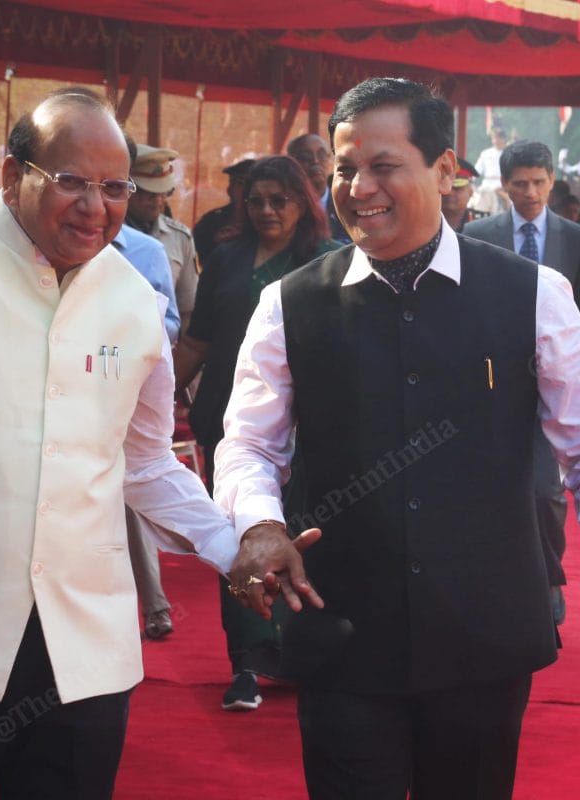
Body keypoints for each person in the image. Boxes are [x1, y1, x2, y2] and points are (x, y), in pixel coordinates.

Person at [214, 77, 580, 799]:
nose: (358, 186)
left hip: (484, 638)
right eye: (342, 169)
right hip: (340, 633)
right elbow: (247, 441)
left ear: (443, 170)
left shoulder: (532, 293)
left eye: (382, 165)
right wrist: (259, 525)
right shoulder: (291, 302)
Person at [0, 88, 240, 799]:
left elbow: (143, 461)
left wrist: (237, 549)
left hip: (81, 652)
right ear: (15, 175)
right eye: (72, 182)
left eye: (115, 188)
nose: (96, 206)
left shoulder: (134, 300)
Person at [174, 154, 340, 711]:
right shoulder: (226, 258)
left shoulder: (326, 261)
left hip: (307, 425)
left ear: (304, 202)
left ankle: (298, 656)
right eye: (256, 200)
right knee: (241, 532)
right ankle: (246, 663)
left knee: (306, 538)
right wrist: (153, 398)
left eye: (280, 200)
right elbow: (197, 340)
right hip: (231, 423)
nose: (267, 210)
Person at [464, 139, 580, 626]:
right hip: (491, 385)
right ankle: (506, 581)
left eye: (539, 182)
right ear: (503, 186)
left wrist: (577, 373)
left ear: (552, 180)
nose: (530, 191)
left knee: (546, 491)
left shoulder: (577, 239)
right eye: (520, 183)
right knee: (494, 488)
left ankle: (550, 579)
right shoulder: (478, 233)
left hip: (555, 382)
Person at [127, 142, 199, 334]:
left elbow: (186, 310)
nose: (158, 201)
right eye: (149, 193)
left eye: (163, 193)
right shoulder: (103, 234)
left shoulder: (180, 238)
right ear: (128, 189)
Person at [287, 132, 350, 243]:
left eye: (321, 155)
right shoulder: (284, 207)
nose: (315, 161)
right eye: (306, 157)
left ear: (332, 161)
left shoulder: (347, 206)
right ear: (292, 162)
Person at [193, 157, 253, 263]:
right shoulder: (212, 221)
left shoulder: (265, 220)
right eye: (233, 183)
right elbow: (194, 255)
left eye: (241, 183)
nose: (234, 188)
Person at [470, 124, 507, 214]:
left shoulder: (508, 154)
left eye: (499, 138)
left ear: (504, 139)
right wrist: (468, 182)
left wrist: (504, 187)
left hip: (502, 186)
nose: (496, 141)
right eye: (494, 138)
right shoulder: (485, 154)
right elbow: (476, 172)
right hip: (486, 185)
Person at [441, 157, 478, 231]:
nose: (449, 193)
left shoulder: (482, 224)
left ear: (470, 192)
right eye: (445, 187)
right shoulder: (424, 223)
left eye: (457, 188)